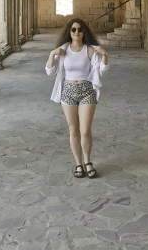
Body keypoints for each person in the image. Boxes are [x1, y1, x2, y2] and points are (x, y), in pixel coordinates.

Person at [46, 18, 109, 178]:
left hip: (87, 90)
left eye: (80, 29)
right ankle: (78, 163)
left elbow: (102, 72)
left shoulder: (90, 50)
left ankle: (87, 161)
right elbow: (50, 71)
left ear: (84, 32)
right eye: (73, 30)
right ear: (69, 32)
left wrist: (104, 55)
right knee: (73, 130)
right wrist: (52, 54)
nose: (76, 32)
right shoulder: (63, 49)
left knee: (85, 130)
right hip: (67, 91)